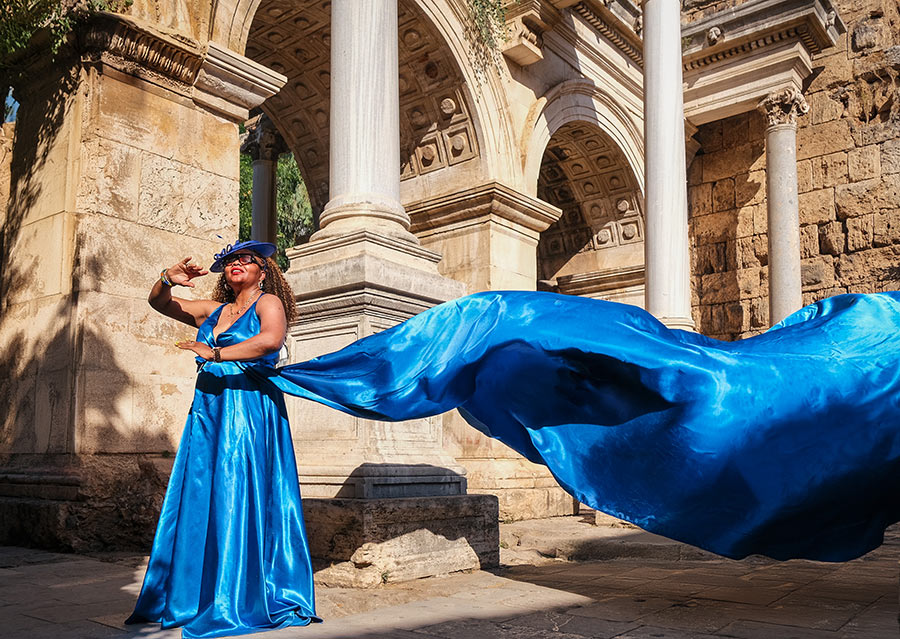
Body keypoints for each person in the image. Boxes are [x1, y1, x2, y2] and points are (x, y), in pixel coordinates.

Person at [126, 241, 320, 639]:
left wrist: (213, 354)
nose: (235, 264)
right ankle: (195, 593)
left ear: (262, 271)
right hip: (211, 409)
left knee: (235, 490)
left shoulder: (268, 303)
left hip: (248, 408)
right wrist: (168, 279)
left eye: (244, 260)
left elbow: (269, 341)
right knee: (201, 493)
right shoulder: (212, 311)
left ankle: (237, 595)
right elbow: (160, 304)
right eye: (230, 260)